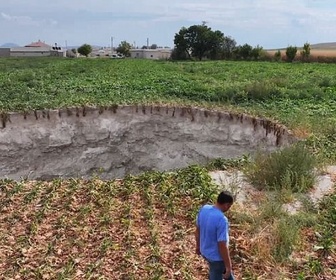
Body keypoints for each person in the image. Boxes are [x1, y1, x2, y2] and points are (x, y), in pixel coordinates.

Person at [195, 191, 235, 280]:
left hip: (205, 251)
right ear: (226, 205)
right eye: (230, 206)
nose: (229, 208)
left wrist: (198, 246)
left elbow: (197, 230)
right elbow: (222, 245)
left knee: (226, 275)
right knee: (218, 272)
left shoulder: (204, 209)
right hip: (216, 258)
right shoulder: (222, 219)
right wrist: (229, 266)